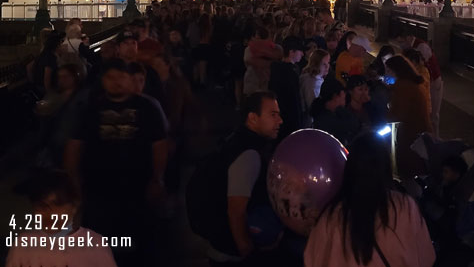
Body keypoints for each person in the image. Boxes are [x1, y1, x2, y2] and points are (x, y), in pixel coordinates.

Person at [64, 58, 168, 266]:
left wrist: (157, 178)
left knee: (139, 243)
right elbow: (74, 146)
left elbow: (159, 145)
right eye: (110, 77)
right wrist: (74, 182)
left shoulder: (147, 107)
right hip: (99, 189)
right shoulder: (90, 110)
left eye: (121, 77)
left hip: (137, 187)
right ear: (103, 80)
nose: (116, 82)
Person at [304, 133, 436, 267]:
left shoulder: (332, 217)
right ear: (385, 166)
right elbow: (426, 257)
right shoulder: (405, 207)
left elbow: (312, 259)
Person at [187, 92, 283, 266]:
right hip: (231, 254)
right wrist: (247, 251)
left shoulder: (234, 140)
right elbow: (236, 211)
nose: (280, 120)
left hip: (221, 246)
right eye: (273, 115)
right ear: (253, 118)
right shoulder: (249, 154)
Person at [6, 170, 118, 267]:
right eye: (41, 206)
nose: (49, 214)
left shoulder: (95, 244)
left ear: (74, 206)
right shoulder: (22, 244)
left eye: (57, 205)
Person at [385, 56, 432, 179]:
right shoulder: (413, 83)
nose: (386, 74)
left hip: (411, 138)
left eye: (388, 70)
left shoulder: (403, 87)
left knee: (410, 174)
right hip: (421, 134)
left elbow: (396, 115)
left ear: (397, 71)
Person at [397, 33, 443, 137]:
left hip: (433, 81)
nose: (400, 45)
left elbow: (425, 67)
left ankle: (435, 138)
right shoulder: (410, 49)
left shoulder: (421, 47)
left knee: (433, 113)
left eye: (401, 42)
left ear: (408, 38)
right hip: (424, 81)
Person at [269, 36, 304, 137]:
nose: (302, 54)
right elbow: (294, 100)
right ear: (291, 52)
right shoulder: (290, 72)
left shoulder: (276, 68)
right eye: (299, 51)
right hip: (289, 119)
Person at [312, 78, 360, 147]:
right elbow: (354, 125)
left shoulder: (320, 113)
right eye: (343, 94)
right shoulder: (328, 119)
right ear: (336, 96)